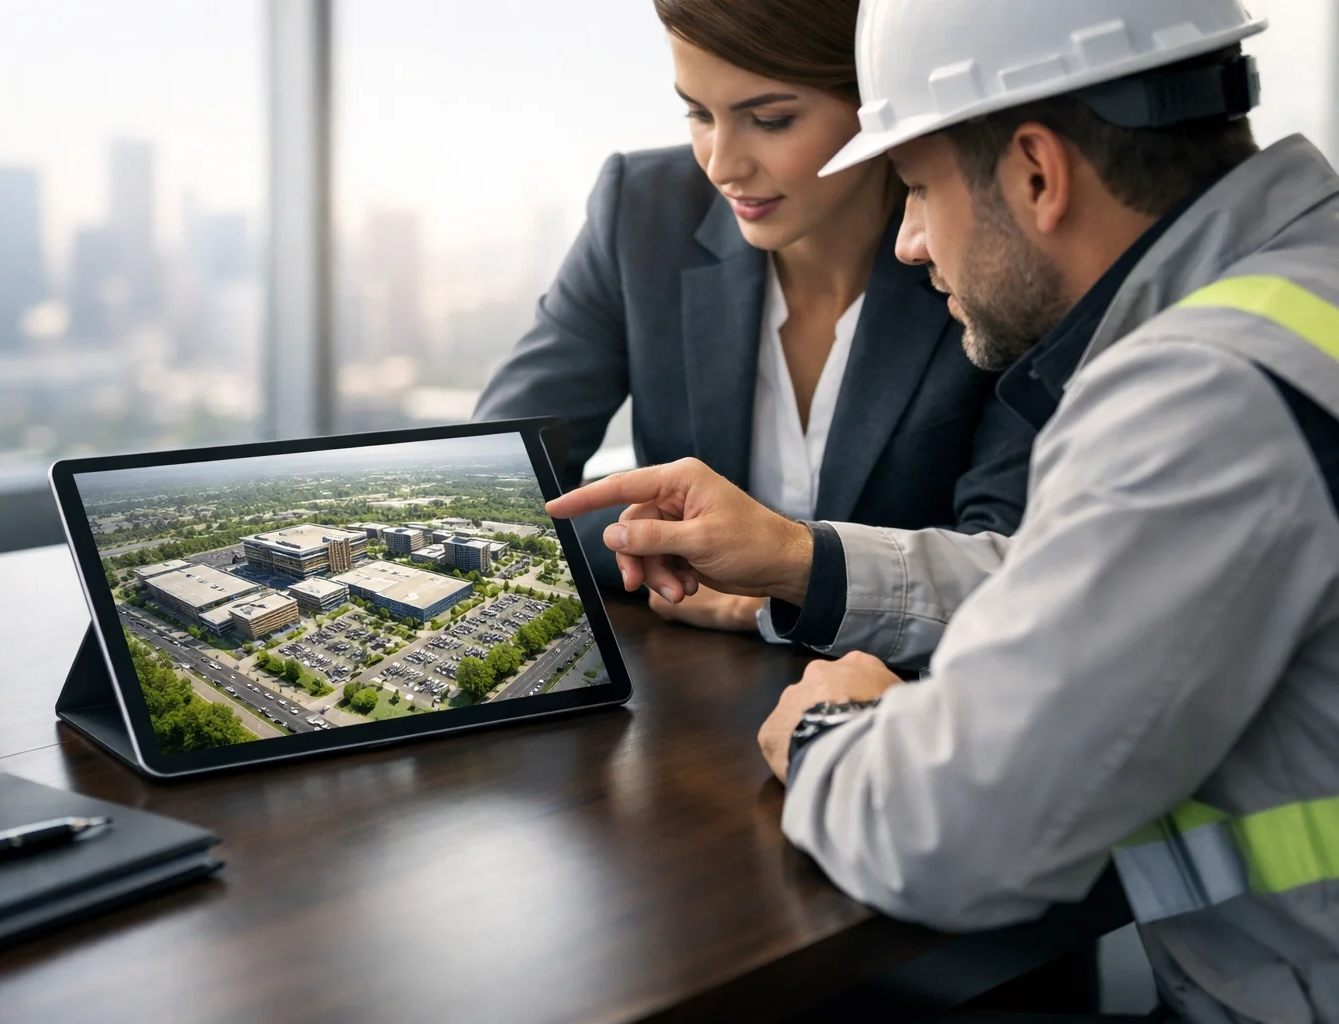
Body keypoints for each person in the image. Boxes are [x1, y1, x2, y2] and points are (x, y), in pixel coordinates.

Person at [547, 1, 1339, 1020]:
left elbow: (949, 836)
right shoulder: (1297, 292)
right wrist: (810, 567)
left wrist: (833, 727)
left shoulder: (1204, 394)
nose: (911, 241)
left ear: (1038, 175)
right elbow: (1080, 578)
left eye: (917, 187)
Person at [473, 0, 1033, 636]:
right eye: (698, 113)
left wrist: (775, 592)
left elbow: (1015, 566)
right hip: (690, 705)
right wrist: (683, 545)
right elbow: (498, 482)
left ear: (878, 99)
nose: (721, 165)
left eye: (770, 120)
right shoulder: (642, 211)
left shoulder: (988, 255)